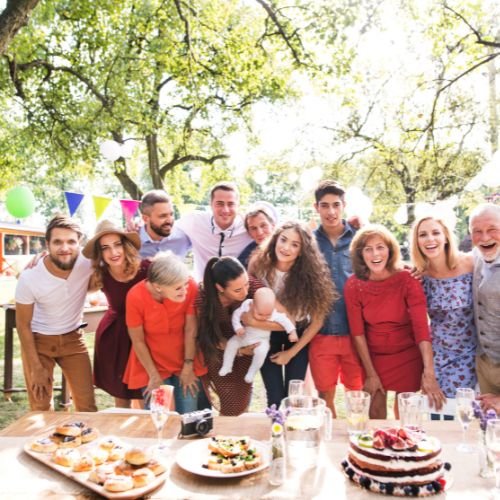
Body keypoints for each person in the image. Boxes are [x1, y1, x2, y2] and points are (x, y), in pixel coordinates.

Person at [344, 224, 445, 418]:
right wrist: (371, 374)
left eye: (380, 247)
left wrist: (429, 372)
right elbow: (357, 333)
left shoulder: (408, 279)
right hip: (373, 357)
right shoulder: (354, 285)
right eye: (368, 249)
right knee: (375, 413)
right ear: (360, 254)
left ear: (390, 250)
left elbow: (421, 328)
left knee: (407, 415)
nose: (375, 254)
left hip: (407, 354)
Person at [248, 221, 337, 407]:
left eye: (295, 244)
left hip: (297, 337)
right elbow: (250, 301)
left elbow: (317, 321)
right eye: (283, 240)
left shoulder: (311, 275)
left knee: (293, 397)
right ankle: (276, 425)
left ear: (302, 251)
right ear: (275, 239)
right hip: (267, 333)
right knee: (274, 396)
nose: (286, 248)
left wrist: (291, 353)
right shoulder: (259, 265)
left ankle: (293, 425)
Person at [15, 214, 97, 411]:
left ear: (79, 243)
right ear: (47, 244)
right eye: (57, 242)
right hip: (39, 342)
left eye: (71, 241)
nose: (65, 248)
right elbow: (23, 326)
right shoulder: (30, 277)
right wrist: (36, 367)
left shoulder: (88, 264)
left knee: (88, 407)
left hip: (73, 339)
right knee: (41, 408)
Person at [123, 251, 206, 413]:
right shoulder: (135, 296)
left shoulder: (190, 286)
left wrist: (188, 366)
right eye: (178, 288)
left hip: (185, 360)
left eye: (185, 285)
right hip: (152, 365)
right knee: (160, 415)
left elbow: (191, 330)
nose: (185, 290)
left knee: (188, 414)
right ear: (158, 287)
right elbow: (138, 340)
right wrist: (154, 376)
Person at [310, 180, 364, 416]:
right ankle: (329, 436)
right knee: (324, 397)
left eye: (336, 205)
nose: (331, 211)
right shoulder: (308, 242)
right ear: (316, 207)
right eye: (325, 206)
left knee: (357, 395)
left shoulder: (360, 238)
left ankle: (357, 436)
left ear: (344, 206)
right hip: (321, 332)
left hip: (356, 332)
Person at [410, 215, 477, 406]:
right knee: (436, 411)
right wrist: (428, 371)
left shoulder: (471, 264)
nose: (430, 239)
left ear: (446, 237)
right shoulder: (419, 276)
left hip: (471, 354)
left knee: (466, 412)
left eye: (435, 233)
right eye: (423, 235)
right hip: (438, 357)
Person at [83, 219, 150, 408]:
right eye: (105, 248)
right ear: (100, 253)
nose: (113, 252)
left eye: (117, 245)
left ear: (125, 245)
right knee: (121, 396)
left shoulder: (146, 269)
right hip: (115, 337)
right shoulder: (100, 274)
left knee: (146, 395)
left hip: (143, 335)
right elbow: (68, 282)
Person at [196, 256, 264, 415]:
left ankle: (237, 429)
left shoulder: (252, 287)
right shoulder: (203, 298)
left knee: (242, 400)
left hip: (246, 352)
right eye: (237, 290)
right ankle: (226, 429)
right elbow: (207, 336)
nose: (245, 292)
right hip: (218, 352)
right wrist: (238, 350)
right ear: (220, 287)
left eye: (246, 284)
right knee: (230, 403)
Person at [176, 181, 252, 281]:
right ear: (211, 204)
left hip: (238, 288)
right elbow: (167, 233)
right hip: (203, 286)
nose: (225, 210)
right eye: (219, 204)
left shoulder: (248, 227)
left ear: (238, 206)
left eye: (231, 204)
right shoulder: (194, 221)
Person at [219, 287, 297, 383]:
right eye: (260, 314)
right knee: (231, 343)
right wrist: (238, 327)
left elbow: (286, 321)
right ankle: (227, 366)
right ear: (252, 305)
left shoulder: (273, 313)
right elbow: (236, 314)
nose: (264, 318)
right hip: (244, 335)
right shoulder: (247, 305)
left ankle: (252, 372)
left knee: (262, 352)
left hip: (261, 340)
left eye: (267, 315)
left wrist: (292, 332)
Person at [469, 203, 500, 394]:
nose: (485, 237)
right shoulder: (473, 257)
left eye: (492, 229)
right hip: (484, 365)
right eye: (477, 231)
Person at [138, 190, 191, 259]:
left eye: (171, 214)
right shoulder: (131, 241)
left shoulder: (184, 237)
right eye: (163, 216)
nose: (169, 220)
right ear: (145, 219)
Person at [238, 204, 276, 268]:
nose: (259, 233)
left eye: (263, 225)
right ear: (249, 233)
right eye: (253, 228)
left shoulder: (285, 248)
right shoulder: (246, 258)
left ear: (273, 226)